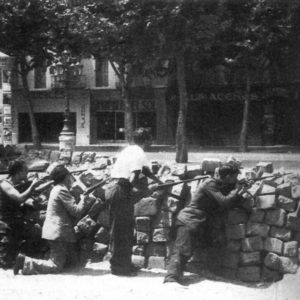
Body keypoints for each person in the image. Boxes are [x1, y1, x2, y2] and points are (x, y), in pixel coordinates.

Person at [164, 162, 246, 286]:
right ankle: (171, 278)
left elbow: (229, 200)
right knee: (182, 250)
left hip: (201, 223)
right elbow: (224, 202)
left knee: (213, 246)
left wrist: (240, 189)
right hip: (189, 220)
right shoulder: (210, 184)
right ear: (228, 176)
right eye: (234, 177)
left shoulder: (220, 185)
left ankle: (208, 272)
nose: (236, 180)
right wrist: (237, 189)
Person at [13, 164, 91, 275]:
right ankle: (25, 262)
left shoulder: (56, 189)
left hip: (57, 231)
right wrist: (84, 199)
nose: (71, 179)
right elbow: (76, 212)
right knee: (55, 266)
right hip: (59, 232)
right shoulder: (62, 190)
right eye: (70, 176)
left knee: (72, 264)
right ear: (66, 177)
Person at [105, 127, 155, 276]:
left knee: (121, 230)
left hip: (114, 189)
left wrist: (157, 180)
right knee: (123, 231)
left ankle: (123, 264)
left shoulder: (129, 150)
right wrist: (142, 192)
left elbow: (144, 171)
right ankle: (120, 268)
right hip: (122, 191)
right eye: (150, 138)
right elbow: (133, 178)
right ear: (146, 140)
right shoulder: (139, 152)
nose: (151, 141)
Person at [0, 160, 40, 268]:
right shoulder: (5, 184)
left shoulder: (18, 184)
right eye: (25, 171)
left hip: (17, 220)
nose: (27, 173)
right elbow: (20, 198)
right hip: (7, 222)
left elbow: (34, 191)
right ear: (18, 172)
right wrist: (32, 185)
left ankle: (22, 254)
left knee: (36, 231)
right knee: (6, 261)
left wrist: (48, 183)